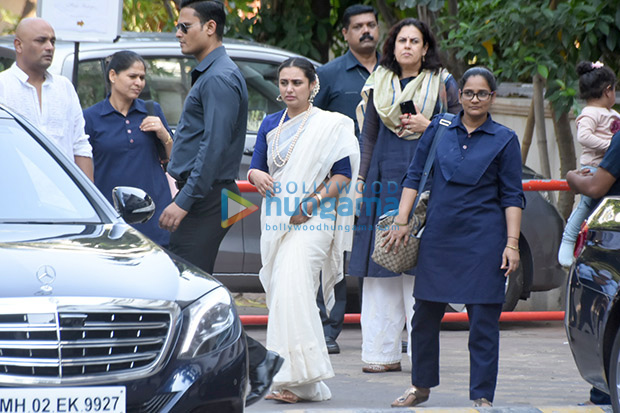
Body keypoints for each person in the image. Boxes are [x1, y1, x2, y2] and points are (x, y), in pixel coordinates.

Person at [156, 0, 282, 406]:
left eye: (184, 25)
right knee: (192, 292)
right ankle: (255, 362)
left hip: (209, 197)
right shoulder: (213, 74)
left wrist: (184, 201)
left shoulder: (220, 78)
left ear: (210, 27)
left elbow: (213, 150)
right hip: (211, 195)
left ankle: (257, 360)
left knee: (187, 294)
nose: (178, 32)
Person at [385, 67, 524, 408]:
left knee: (483, 324)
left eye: (482, 94)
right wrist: (401, 220)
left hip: (484, 242)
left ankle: (481, 397)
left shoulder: (505, 138)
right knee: (424, 319)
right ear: (458, 95)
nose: (475, 99)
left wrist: (512, 243)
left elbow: (512, 195)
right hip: (439, 238)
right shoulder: (439, 128)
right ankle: (420, 387)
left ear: (492, 97)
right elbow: (414, 175)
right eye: (469, 93)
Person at [347, 17, 460, 374]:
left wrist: (432, 126)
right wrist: (361, 179)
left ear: (426, 48)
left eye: (415, 41)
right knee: (381, 267)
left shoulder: (442, 83)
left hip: (428, 179)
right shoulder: (378, 81)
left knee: (418, 269)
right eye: (401, 41)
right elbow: (368, 136)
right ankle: (381, 355)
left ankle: (420, 358)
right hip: (383, 176)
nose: (407, 46)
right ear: (392, 47)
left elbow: (463, 126)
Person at [247, 57, 360, 403]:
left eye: (297, 82)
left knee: (295, 287)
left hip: (315, 218)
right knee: (282, 292)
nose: (289, 89)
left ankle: (294, 377)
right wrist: (256, 176)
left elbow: (343, 176)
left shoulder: (331, 125)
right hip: (278, 218)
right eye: (284, 83)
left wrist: (309, 204)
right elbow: (256, 167)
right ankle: (302, 381)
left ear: (314, 85)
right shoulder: (269, 124)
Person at [312, 4, 380, 355]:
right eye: (358, 26)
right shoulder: (330, 74)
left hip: (387, 178)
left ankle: (383, 328)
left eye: (371, 25)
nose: (366, 31)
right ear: (345, 34)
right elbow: (311, 121)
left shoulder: (394, 70)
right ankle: (328, 328)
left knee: (383, 251)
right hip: (341, 178)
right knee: (334, 253)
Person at [83, 51, 173, 247]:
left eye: (142, 78)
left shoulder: (151, 110)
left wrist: (163, 134)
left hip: (153, 213)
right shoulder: (91, 118)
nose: (139, 83)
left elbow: (175, 161)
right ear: (113, 75)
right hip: (112, 216)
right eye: (132, 76)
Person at [0, 17, 93, 180]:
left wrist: (88, 199)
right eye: (41, 41)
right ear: (18, 45)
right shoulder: (3, 86)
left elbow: (80, 145)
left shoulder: (64, 87)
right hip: (13, 195)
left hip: (64, 196)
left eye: (52, 41)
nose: (49, 47)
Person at [557, 61, 619, 267]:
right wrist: (609, 146)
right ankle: (568, 239)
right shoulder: (590, 113)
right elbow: (584, 137)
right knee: (585, 205)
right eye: (615, 89)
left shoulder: (612, 114)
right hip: (594, 167)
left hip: (609, 168)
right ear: (607, 90)